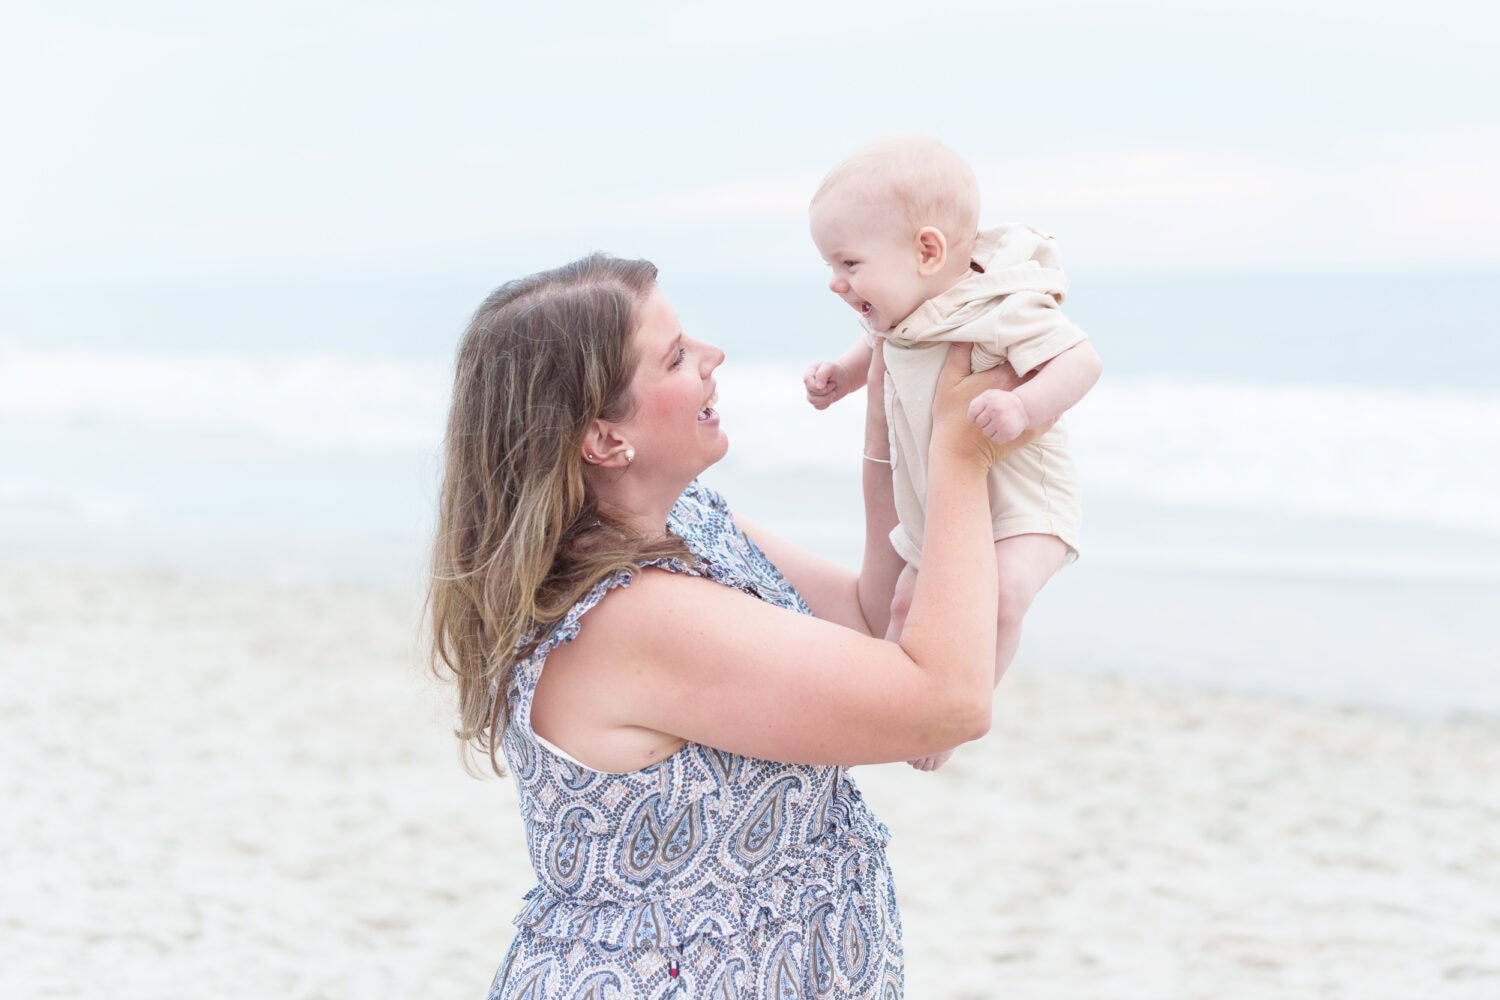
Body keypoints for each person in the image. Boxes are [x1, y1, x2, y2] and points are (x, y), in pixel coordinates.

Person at [428, 253, 1038, 998]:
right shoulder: (634, 615)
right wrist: (960, 455)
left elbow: (871, 620)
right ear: (605, 440)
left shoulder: (684, 523)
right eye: (677, 356)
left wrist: (888, 417)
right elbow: (947, 702)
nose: (714, 358)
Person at [803, 135, 1104, 770]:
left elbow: (1081, 360)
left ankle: (958, 711)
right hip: (941, 510)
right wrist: (841, 375)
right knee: (907, 608)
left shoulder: (999, 304)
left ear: (927, 251)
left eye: (849, 264)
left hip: (1023, 506)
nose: (835, 283)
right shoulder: (900, 309)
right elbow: (879, 346)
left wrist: (1024, 406)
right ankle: (887, 708)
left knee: (1003, 596)